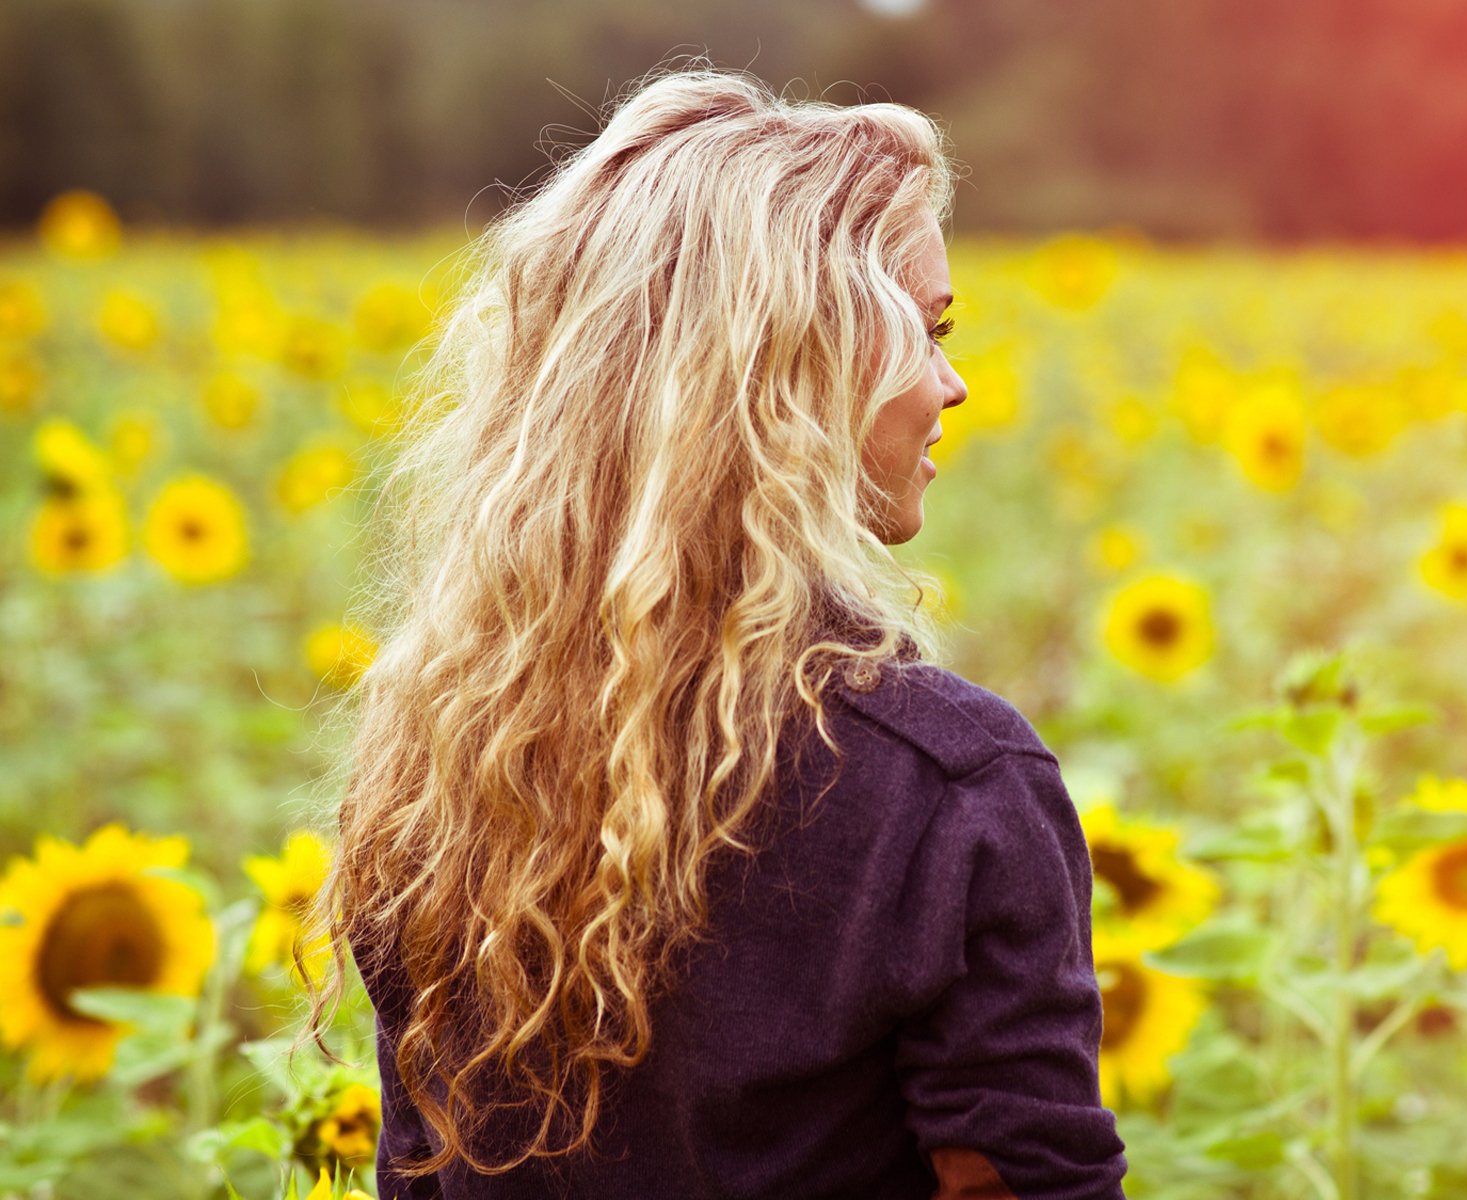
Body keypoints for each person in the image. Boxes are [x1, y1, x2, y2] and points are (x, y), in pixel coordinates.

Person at [295, 59, 1128, 1200]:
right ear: (794, 369)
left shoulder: (443, 761)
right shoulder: (946, 791)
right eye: (926, 331)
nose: (954, 384)